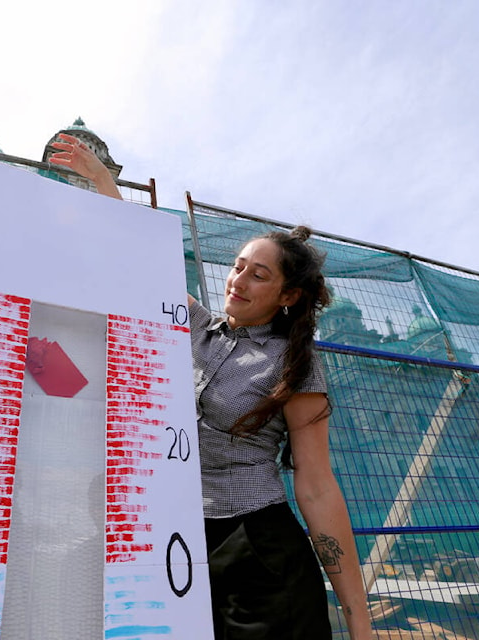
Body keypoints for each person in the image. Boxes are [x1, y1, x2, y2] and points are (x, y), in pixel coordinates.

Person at [49, 134, 373, 639]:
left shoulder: (296, 365)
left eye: (258, 275)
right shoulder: (197, 327)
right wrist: (103, 182)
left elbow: (315, 485)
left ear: (287, 295)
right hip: (183, 541)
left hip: (260, 551)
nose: (237, 280)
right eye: (238, 266)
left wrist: (360, 623)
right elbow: (140, 259)